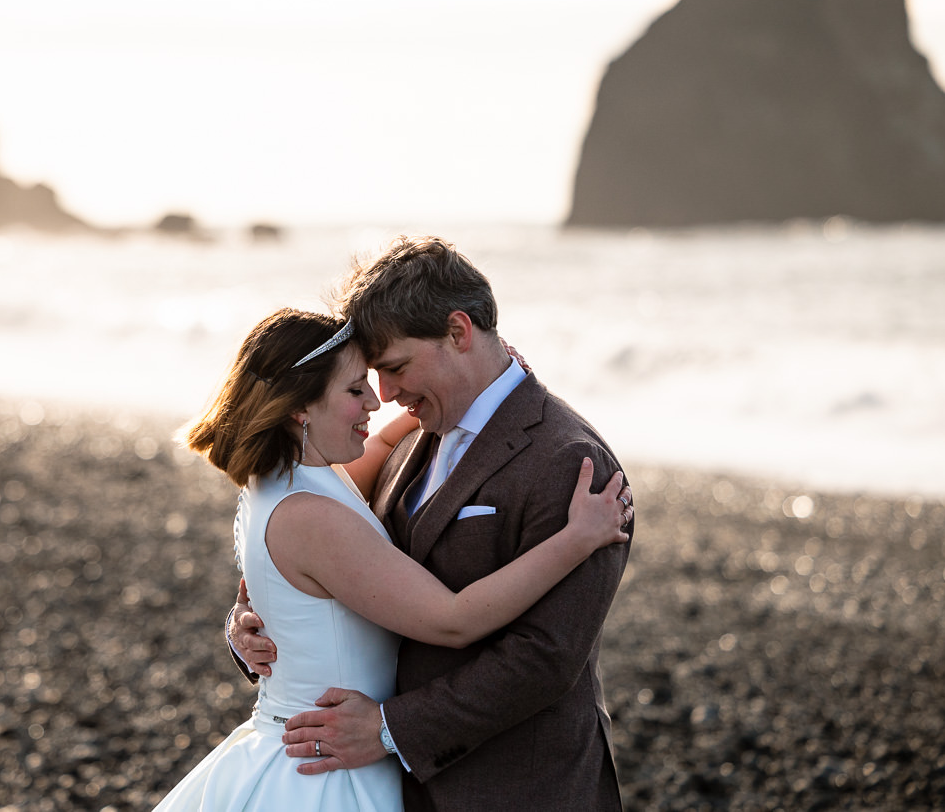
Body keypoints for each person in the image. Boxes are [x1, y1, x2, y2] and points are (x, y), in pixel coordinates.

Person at [152, 306, 632, 811]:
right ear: (300, 409)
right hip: (323, 772)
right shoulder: (312, 516)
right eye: (356, 389)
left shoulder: (289, 477)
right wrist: (576, 538)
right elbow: (453, 620)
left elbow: (382, 445)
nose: (376, 402)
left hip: (306, 747)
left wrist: (494, 376)